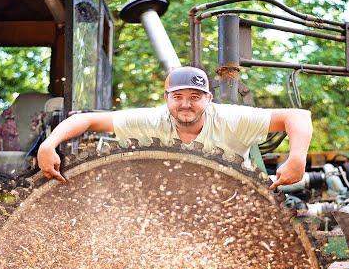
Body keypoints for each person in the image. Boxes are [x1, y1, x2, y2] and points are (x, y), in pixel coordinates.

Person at [37, 66, 312, 189]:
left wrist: (297, 157)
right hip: (170, 206)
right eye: (178, 97)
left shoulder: (231, 119)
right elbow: (87, 119)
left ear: (208, 98)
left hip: (231, 203)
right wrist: (49, 145)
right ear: (166, 97)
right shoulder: (152, 120)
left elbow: (298, 116)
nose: (186, 105)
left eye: (195, 97)